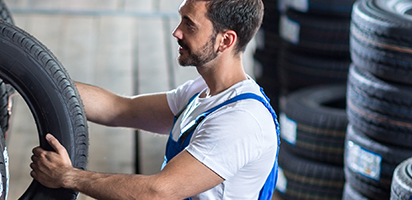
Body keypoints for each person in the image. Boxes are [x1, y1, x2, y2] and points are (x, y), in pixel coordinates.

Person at [28, 0, 278, 199]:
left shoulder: (241, 120)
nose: (176, 32)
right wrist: (31, 78)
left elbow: (158, 192)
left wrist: (68, 176)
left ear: (226, 40)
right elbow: (120, 109)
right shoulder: (202, 91)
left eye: (189, 25)